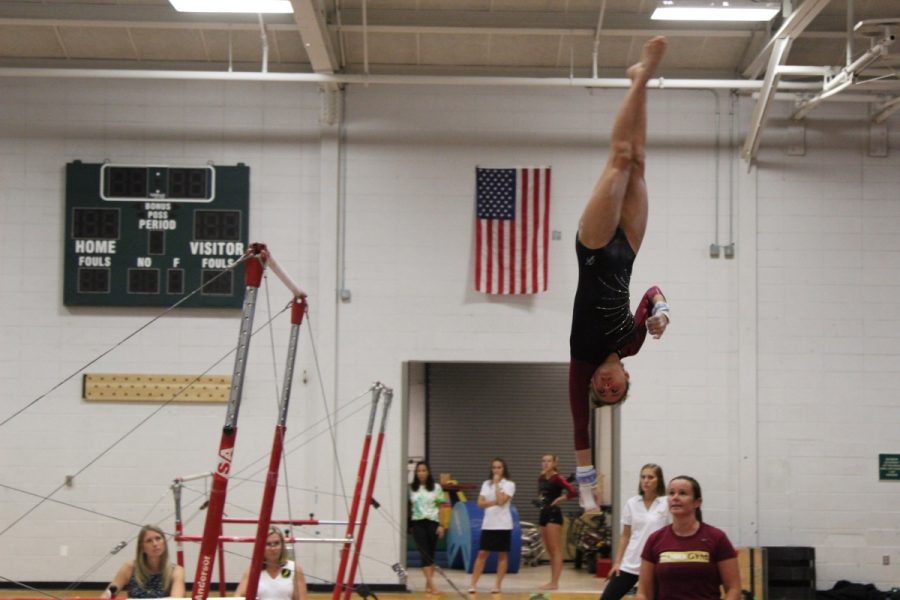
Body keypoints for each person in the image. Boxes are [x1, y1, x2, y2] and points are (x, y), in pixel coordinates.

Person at [570, 36, 672, 512]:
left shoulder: (583, 361)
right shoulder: (631, 344)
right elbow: (651, 292)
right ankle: (640, 80)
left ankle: (643, 74)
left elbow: (578, 427)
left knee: (618, 163)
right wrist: (662, 315)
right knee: (639, 163)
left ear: (596, 383)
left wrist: (588, 490)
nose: (607, 388)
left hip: (592, 250)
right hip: (628, 250)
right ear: (627, 379)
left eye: (602, 392)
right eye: (617, 392)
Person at [635, 476, 741, 600]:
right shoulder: (655, 539)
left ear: (697, 502)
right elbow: (643, 593)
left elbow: (734, 589)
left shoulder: (717, 537)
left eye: (683, 493)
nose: (675, 497)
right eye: (671, 493)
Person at [600, 464, 670, 600]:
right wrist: (617, 562)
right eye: (643, 477)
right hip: (630, 562)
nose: (646, 481)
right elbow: (625, 536)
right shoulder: (632, 503)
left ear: (659, 480)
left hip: (655, 564)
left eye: (651, 477)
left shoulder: (666, 503)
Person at [468, 458, 516, 594]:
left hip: (503, 525)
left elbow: (502, 501)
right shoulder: (485, 484)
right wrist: (494, 501)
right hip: (488, 524)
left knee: (502, 555)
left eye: (499, 467)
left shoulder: (509, 484)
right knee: (482, 553)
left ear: (503, 469)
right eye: (494, 467)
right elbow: (480, 503)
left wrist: (496, 485)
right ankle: (473, 584)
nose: (496, 470)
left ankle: (497, 585)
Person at [104, 524, 185, 598]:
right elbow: (106, 596)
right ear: (142, 548)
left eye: (158, 538)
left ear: (164, 542)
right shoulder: (129, 567)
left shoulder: (176, 571)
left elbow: (176, 598)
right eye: (149, 541)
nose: (155, 544)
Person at [535, 454, 576, 590]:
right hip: (543, 513)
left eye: (549, 461)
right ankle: (551, 580)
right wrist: (539, 500)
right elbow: (541, 494)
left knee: (555, 549)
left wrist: (561, 499)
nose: (546, 463)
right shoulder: (541, 478)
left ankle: (555, 582)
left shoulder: (557, 478)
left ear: (554, 463)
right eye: (544, 461)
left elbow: (573, 491)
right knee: (548, 550)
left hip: (553, 514)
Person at [236, 526, 308, 600]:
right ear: (261, 546)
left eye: (276, 543)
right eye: (268, 544)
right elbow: (238, 596)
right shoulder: (253, 570)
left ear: (282, 545)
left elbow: (301, 598)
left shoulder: (294, 568)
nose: (273, 548)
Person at [408, 461, 447, 595]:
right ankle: (432, 585)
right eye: (419, 471)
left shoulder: (436, 488)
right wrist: (410, 525)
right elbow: (409, 507)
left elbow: (441, 507)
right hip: (418, 523)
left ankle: (427, 584)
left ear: (428, 472)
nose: (421, 473)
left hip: (433, 523)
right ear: (416, 473)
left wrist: (442, 525)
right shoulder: (412, 488)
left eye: (424, 470)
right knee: (424, 553)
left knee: (430, 554)